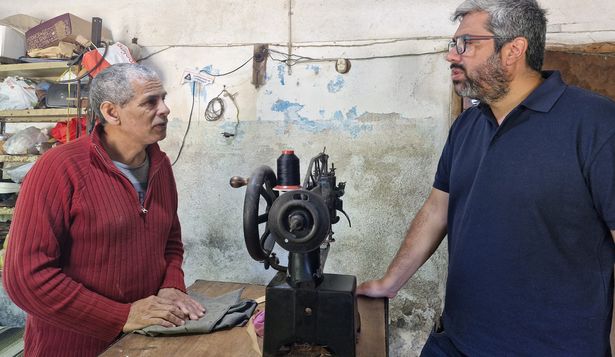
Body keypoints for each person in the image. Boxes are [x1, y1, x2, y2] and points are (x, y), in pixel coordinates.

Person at [358, 0, 615, 355]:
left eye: (466, 43)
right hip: (459, 341)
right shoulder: (466, 126)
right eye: (453, 45)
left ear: (514, 49)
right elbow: (437, 209)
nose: (452, 56)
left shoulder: (597, 124)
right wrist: (390, 283)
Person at [2, 63, 205, 356]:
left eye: (163, 98)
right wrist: (121, 316)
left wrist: (172, 285)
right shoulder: (60, 168)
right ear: (111, 113)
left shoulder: (160, 167)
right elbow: (26, 279)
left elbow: (170, 241)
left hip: (143, 342)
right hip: (73, 347)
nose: (165, 109)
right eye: (150, 102)